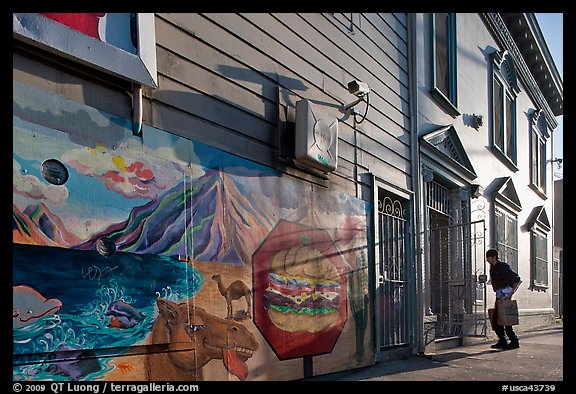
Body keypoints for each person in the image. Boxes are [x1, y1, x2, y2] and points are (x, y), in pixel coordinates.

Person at [486, 249, 522, 350]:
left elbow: (517, 279)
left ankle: (514, 341)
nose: (487, 260)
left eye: (488, 258)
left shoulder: (503, 267)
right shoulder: (492, 268)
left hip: (506, 296)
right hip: (499, 295)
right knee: (496, 318)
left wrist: (511, 292)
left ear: (493, 257)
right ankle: (502, 340)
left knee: (506, 319)